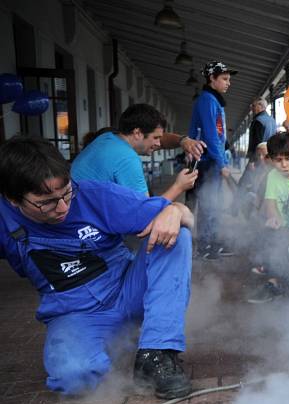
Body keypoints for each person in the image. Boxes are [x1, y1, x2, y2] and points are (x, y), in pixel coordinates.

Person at [0, 136, 194, 398]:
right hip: (75, 314)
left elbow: (188, 219)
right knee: (74, 378)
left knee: (175, 235)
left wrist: (176, 210)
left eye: (66, 192)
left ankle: (156, 353)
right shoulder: (4, 218)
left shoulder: (96, 195)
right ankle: (114, 344)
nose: (63, 207)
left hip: (129, 291)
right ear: (13, 199)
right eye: (46, 201)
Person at [72, 103, 200, 202]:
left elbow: (162, 140)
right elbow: (146, 212)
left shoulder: (108, 137)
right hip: (85, 227)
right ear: (137, 133)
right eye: (155, 138)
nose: (158, 144)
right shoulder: (127, 158)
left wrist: (182, 141)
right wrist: (179, 186)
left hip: (74, 211)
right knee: (179, 216)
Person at [188, 61, 237, 261]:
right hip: (207, 161)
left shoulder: (214, 100)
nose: (228, 83)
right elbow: (210, 135)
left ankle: (213, 242)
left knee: (214, 203)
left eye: (229, 79)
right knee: (209, 203)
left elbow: (218, 135)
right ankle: (205, 245)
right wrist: (223, 163)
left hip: (213, 160)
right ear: (212, 79)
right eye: (224, 79)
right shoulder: (207, 100)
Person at [247, 133, 289, 304]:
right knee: (270, 234)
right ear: (271, 160)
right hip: (285, 228)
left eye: (288, 158)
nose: (284, 164)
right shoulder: (272, 176)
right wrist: (274, 220)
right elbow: (270, 204)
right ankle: (275, 282)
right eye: (278, 160)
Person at [246, 98, 277, 163]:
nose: (251, 108)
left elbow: (256, 142)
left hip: (259, 158)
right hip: (269, 156)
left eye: (253, 105)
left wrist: (251, 161)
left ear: (260, 105)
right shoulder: (272, 121)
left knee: (250, 173)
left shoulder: (258, 121)